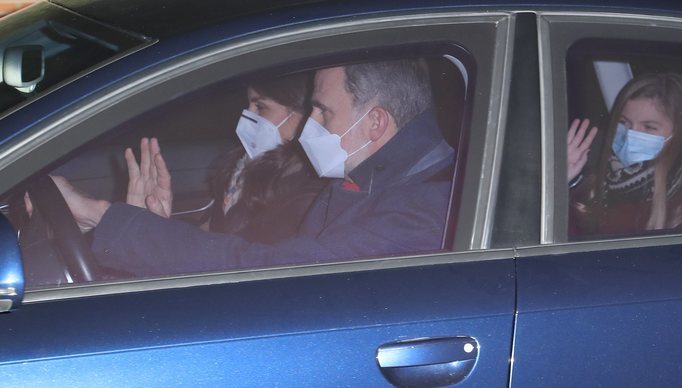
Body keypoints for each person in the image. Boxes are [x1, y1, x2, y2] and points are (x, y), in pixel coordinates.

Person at [51, 59, 455, 277]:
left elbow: (269, 272)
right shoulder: (366, 181)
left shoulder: (419, 212)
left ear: (376, 123)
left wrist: (101, 214)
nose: (307, 127)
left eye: (322, 110)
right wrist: (153, 224)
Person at [125, 72, 322, 244]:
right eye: (248, 105)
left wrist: (158, 235)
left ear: (302, 114)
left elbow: (232, 259)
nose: (246, 117)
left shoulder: (307, 194)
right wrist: (159, 223)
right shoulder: (244, 168)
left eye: (260, 107)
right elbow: (212, 234)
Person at [567, 73, 682, 235]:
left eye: (649, 127)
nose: (631, 134)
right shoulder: (603, 179)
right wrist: (568, 181)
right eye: (624, 123)